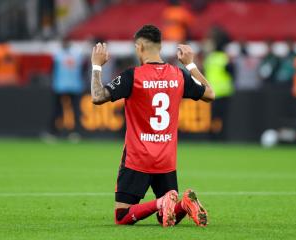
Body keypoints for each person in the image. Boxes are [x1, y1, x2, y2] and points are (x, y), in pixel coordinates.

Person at [90, 25, 215, 227]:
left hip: (138, 158)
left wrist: (96, 66)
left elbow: (97, 97)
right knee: (165, 217)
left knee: (122, 216)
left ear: (139, 47)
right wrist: (190, 65)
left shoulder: (133, 76)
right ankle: (183, 204)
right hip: (166, 159)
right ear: (160, 46)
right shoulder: (178, 75)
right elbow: (210, 94)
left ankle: (161, 201)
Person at [47, 39, 85, 139]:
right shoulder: (77, 54)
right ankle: (58, 132)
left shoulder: (58, 55)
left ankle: (59, 132)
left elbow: (52, 69)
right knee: (62, 110)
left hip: (65, 86)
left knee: (67, 110)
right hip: (67, 86)